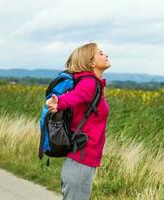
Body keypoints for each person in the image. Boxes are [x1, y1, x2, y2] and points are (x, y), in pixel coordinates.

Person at [46, 42, 110, 200]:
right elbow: (76, 96)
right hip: (81, 160)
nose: (106, 54)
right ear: (91, 62)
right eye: (100, 53)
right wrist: (59, 102)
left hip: (81, 160)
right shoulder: (89, 82)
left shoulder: (93, 83)